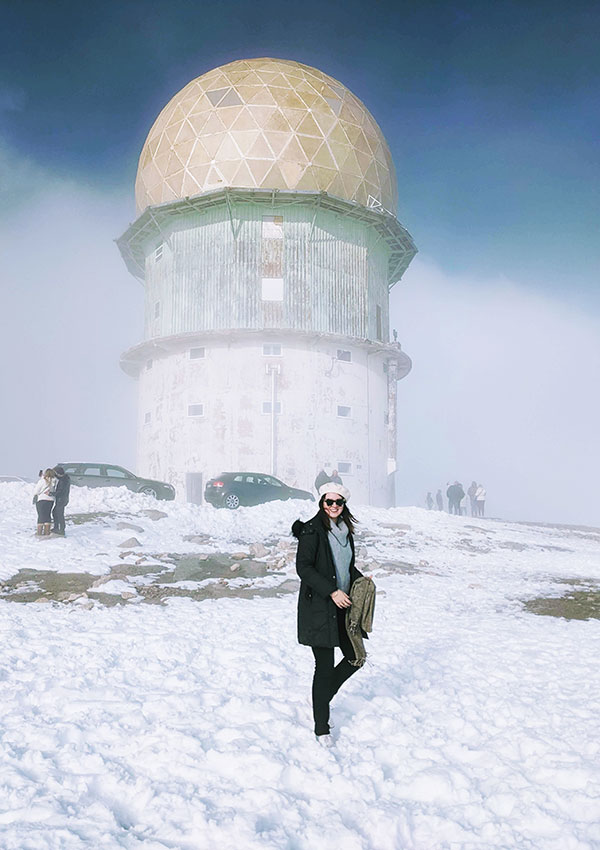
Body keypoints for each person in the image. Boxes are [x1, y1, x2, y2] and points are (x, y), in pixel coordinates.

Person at [292, 482, 365, 746]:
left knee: (356, 657)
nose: (333, 506)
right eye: (328, 502)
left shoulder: (346, 532)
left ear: (344, 505)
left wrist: (360, 581)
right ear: (321, 503)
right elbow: (304, 568)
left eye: (338, 502)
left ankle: (321, 696)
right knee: (323, 667)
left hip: (343, 607)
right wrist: (332, 591)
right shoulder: (312, 530)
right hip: (320, 607)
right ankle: (321, 727)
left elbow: (344, 567)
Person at [32, 468, 56, 536]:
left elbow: (36, 491)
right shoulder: (54, 481)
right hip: (51, 500)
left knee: (41, 516)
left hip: (42, 500)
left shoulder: (42, 481)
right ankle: (47, 532)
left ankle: (39, 533)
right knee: (47, 515)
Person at [51, 466, 71, 536]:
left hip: (61, 499)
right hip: (63, 499)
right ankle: (56, 527)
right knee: (55, 512)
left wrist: (52, 493)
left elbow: (60, 491)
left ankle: (62, 530)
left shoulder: (63, 481)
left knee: (59, 514)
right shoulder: (65, 478)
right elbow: (59, 477)